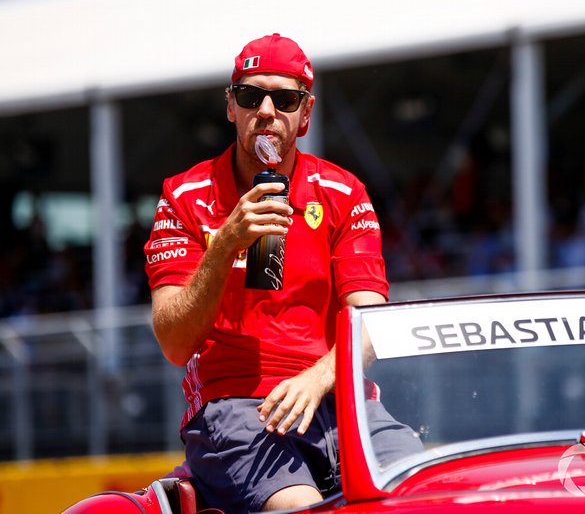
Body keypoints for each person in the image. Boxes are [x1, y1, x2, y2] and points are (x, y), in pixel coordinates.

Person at [144, 33, 423, 513]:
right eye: (251, 96)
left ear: (307, 112)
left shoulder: (343, 190)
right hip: (234, 404)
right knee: (296, 507)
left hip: (339, 400)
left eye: (286, 98)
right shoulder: (184, 196)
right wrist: (226, 243)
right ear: (231, 106)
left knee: (426, 496)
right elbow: (173, 342)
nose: (268, 110)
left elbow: (371, 322)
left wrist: (316, 380)